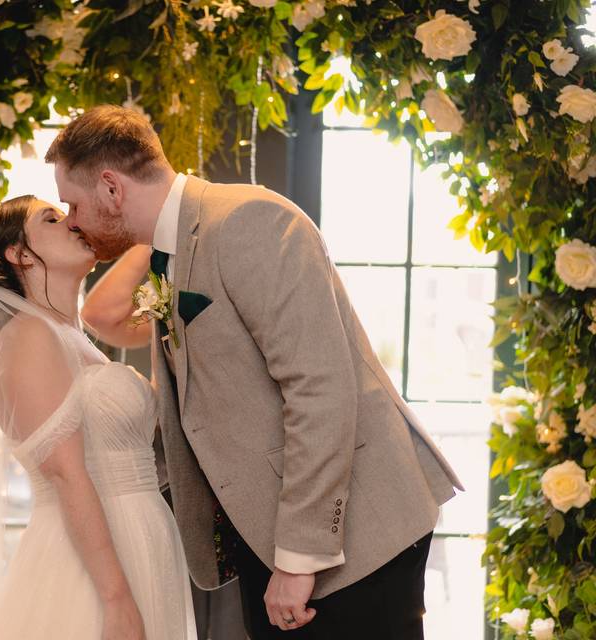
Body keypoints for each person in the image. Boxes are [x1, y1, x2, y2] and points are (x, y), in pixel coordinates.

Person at [49, 105, 464, 639]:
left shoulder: (250, 220)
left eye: (72, 202)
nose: (73, 220)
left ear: (111, 187)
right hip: (265, 538)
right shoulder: (168, 254)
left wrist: (298, 557)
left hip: (348, 543)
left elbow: (320, 389)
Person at [0, 194, 197, 640]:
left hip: (140, 542)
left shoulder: (69, 335)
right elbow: (65, 474)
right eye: (52, 219)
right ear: (19, 255)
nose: (73, 223)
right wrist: (116, 601)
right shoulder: (27, 336)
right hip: (90, 569)